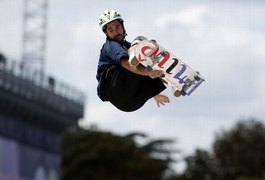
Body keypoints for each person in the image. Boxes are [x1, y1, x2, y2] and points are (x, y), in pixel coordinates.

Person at [96, 10, 181, 112]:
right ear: (107, 33)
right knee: (140, 42)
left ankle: (176, 82)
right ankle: (140, 57)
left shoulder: (126, 45)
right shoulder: (111, 46)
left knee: (149, 63)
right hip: (114, 87)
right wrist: (146, 72)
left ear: (123, 27)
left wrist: (155, 94)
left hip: (130, 103)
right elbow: (126, 64)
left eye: (117, 27)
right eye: (110, 30)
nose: (115, 32)